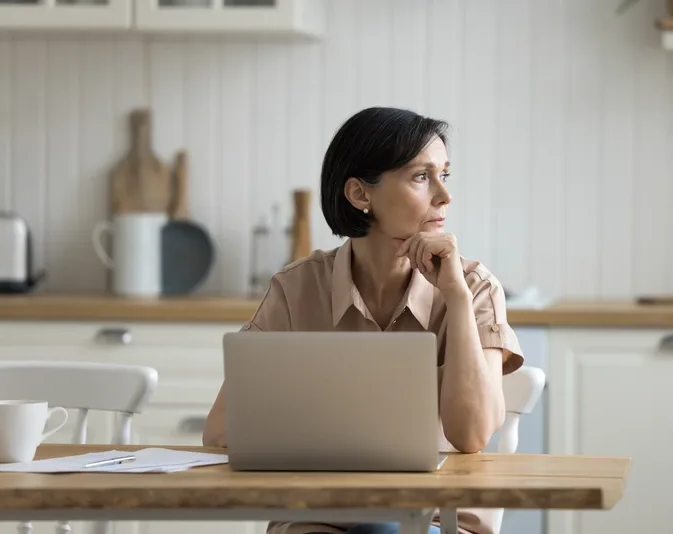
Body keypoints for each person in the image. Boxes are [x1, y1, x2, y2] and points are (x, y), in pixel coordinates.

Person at [203, 106, 525, 534]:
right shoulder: (297, 288)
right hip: (321, 516)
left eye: (444, 175)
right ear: (359, 195)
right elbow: (222, 430)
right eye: (420, 177)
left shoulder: (474, 289)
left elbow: (471, 436)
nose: (444, 197)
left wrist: (457, 299)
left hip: (438, 519)